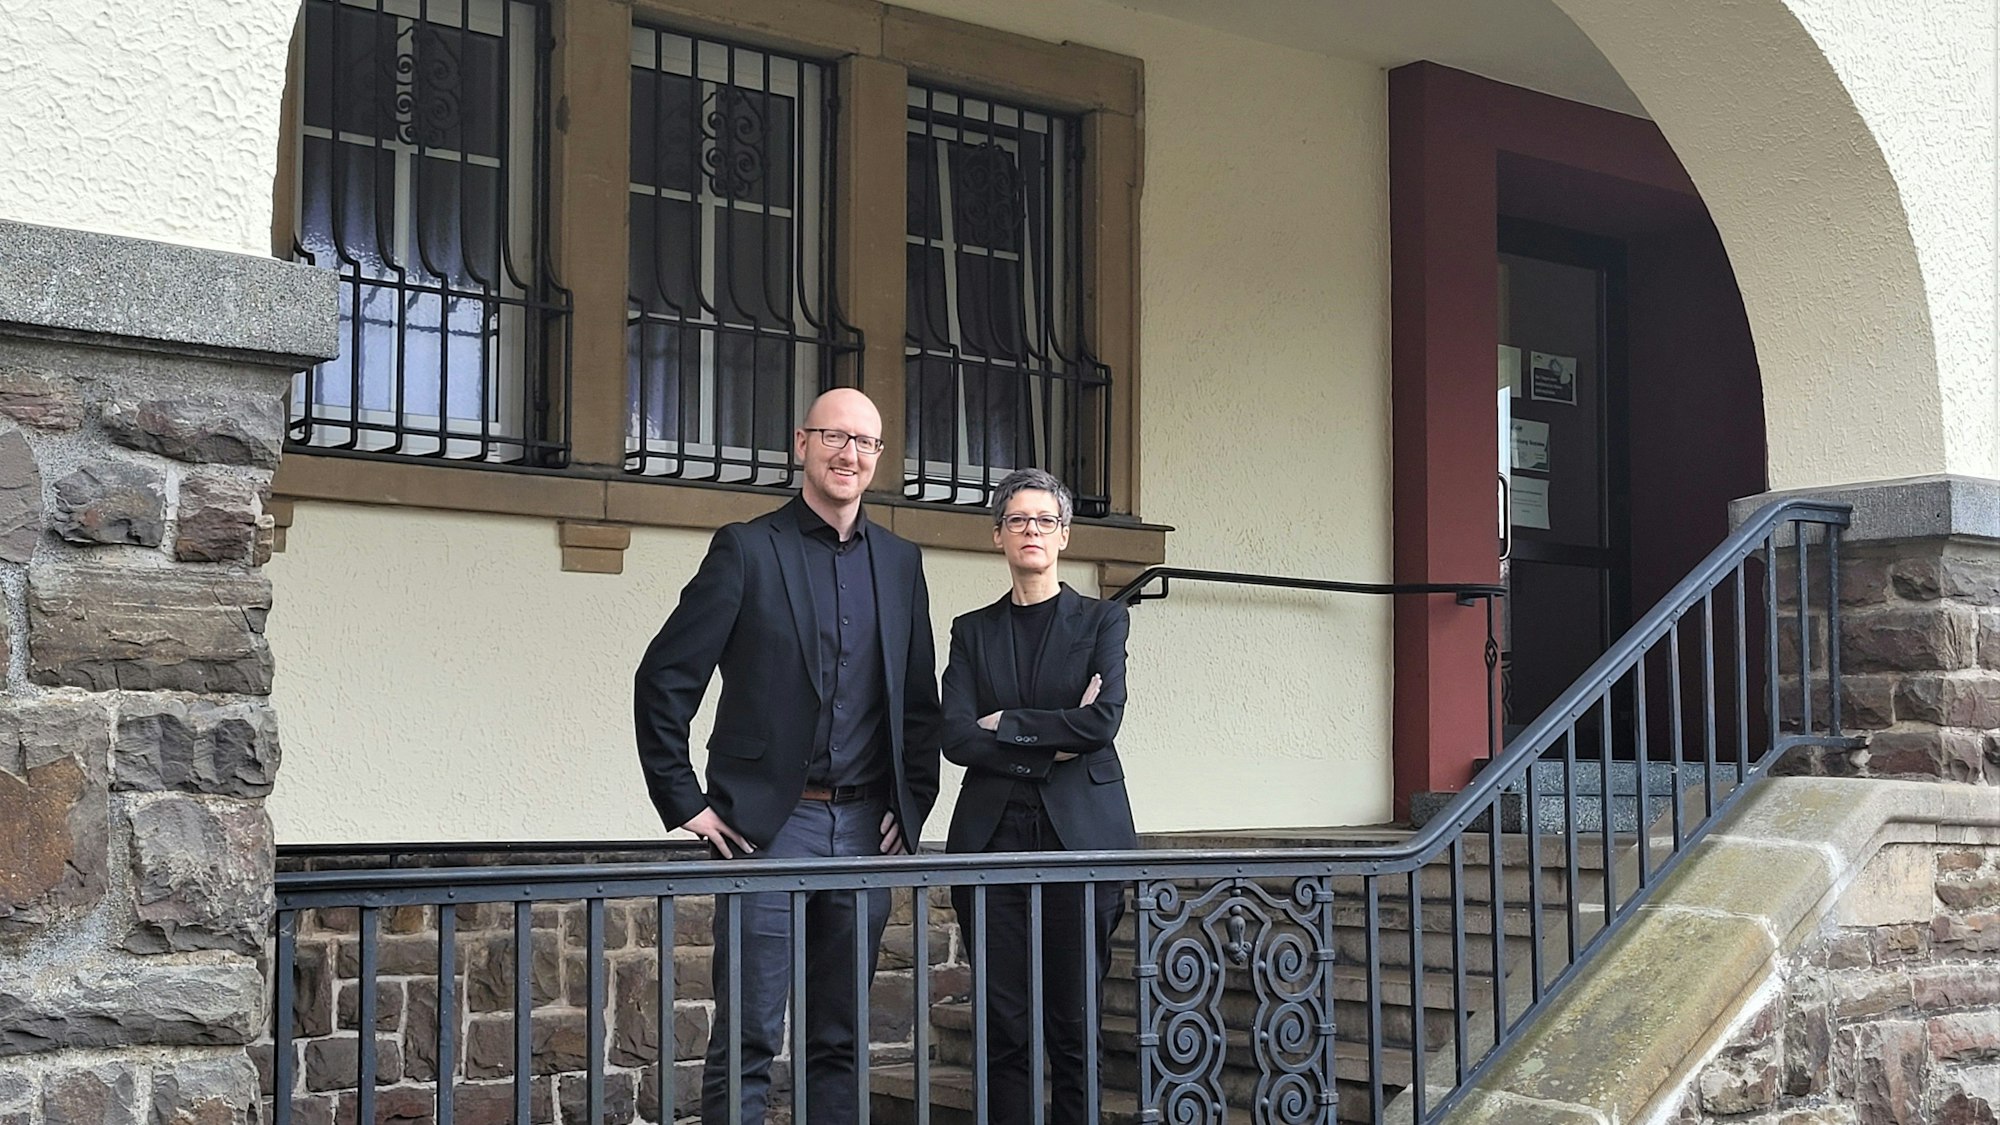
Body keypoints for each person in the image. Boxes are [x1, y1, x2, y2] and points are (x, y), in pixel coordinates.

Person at [634, 387, 943, 1125]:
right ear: (800, 444)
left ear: (877, 459)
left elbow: (918, 702)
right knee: (748, 1037)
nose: (849, 453)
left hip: (867, 828)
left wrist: (911, 805)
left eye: (865, 442)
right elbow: (664, 676)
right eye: (834, 436)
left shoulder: (901, 563)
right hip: (767, 830)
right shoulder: (748, 548)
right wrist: (685, 800)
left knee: (839, 1039)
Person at [940, 467, 1136, 1125]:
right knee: (1003, 1020)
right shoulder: (972, 631)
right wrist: (1057, 734)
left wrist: (1011, 723)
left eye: (1044, 520)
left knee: (1073, 1017)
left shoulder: (1103, 620)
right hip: (990, 838)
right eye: (1019, 519)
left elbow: (1102, 721)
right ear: (998, 535)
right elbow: (957, 737)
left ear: (1065, 536)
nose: (1032, 530)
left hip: (1081, 837)